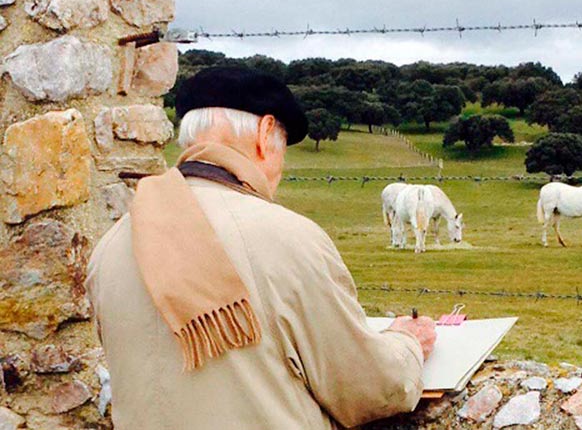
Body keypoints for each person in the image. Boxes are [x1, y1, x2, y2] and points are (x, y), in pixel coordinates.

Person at [85, 66, 436, 429]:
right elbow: (369, 389)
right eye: (282, 145)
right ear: (265, 132)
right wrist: (408, 342)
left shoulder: (112, 245)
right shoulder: (290, 239)